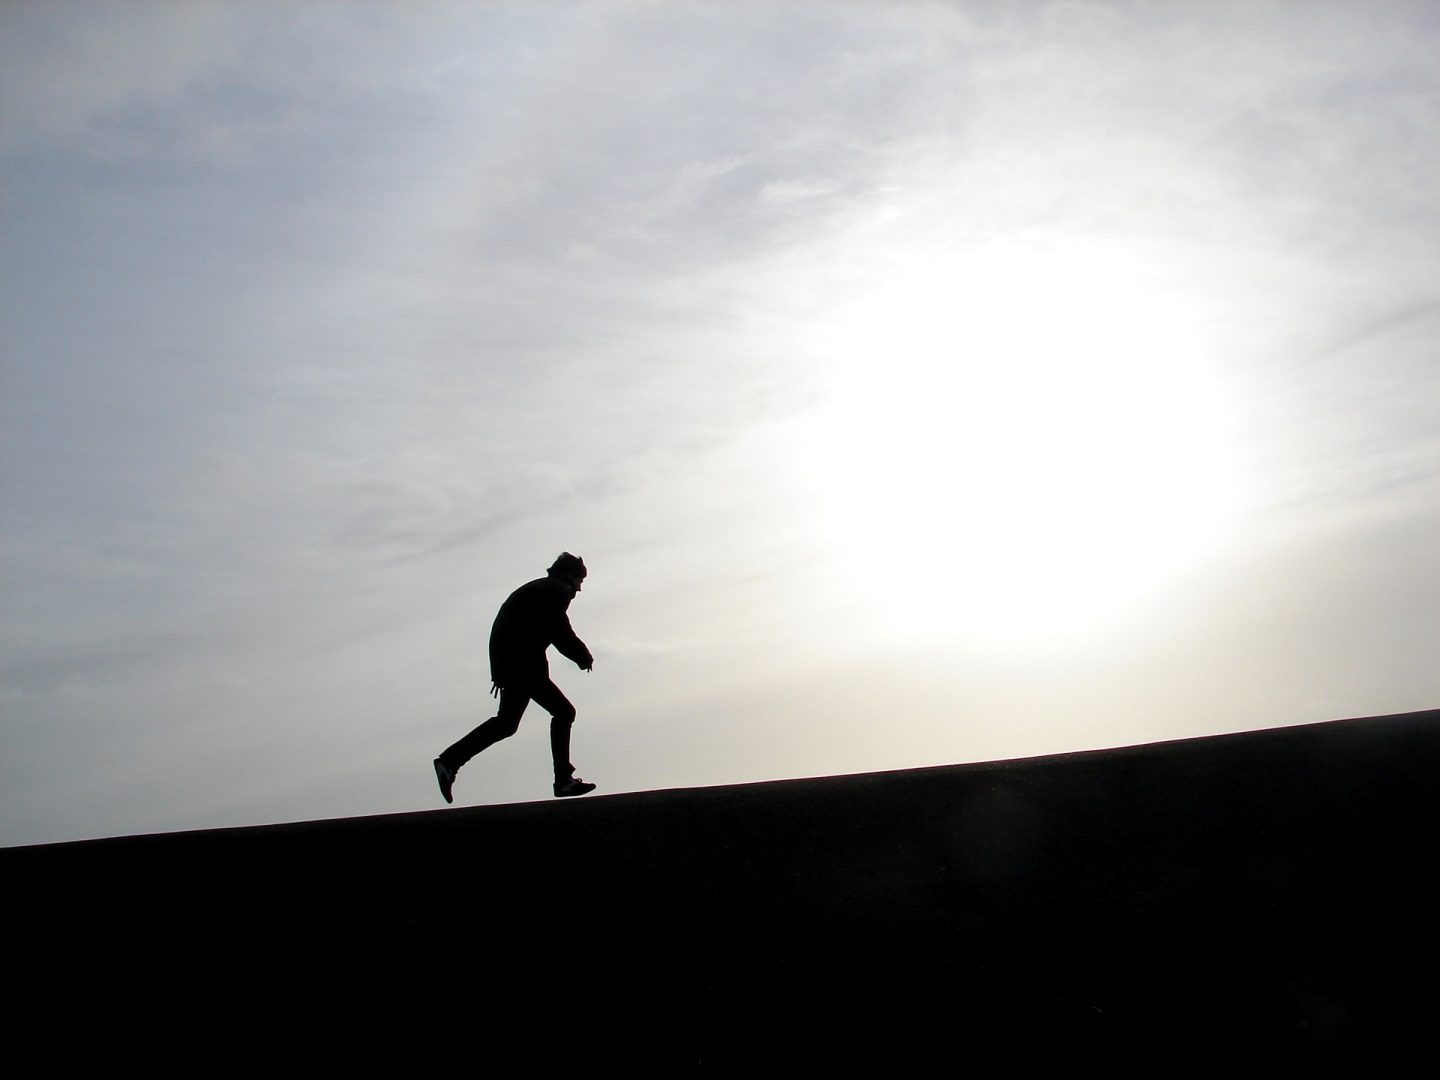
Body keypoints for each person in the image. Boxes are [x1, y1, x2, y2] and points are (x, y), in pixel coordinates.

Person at [434, 553, 597, 803]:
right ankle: (563, 780)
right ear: (571, 576)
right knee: (564, 712)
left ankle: (449, 761)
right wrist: (582, 655)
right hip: (522, 663)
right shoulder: (557, 589)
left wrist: (499, 670)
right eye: (580, 581)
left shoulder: (539, 589)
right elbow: (559, 629)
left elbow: (510, 626)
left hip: (513, 663)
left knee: (506, 723)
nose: (580, 588)